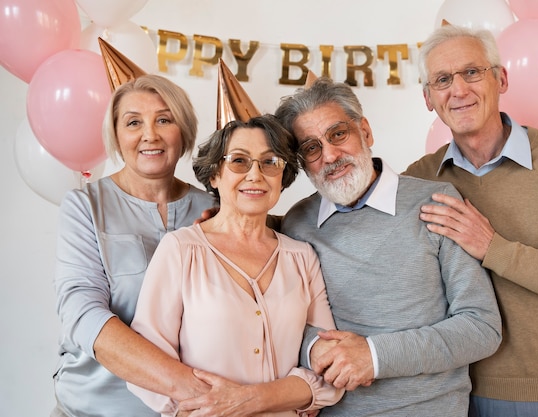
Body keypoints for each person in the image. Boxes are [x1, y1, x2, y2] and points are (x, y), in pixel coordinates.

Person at [403, 25, 538, 417]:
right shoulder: (420, 178)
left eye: (472, 71)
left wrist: (494, 248)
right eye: (442, 79)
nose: (458, 89)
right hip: (442, 395)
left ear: (500, 78)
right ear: (428, 98)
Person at [271, 76, 502, 416]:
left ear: (365, 131)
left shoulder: (436, 202)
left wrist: (374, 357)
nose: (331, 155)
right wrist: (312, 350)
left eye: (338, 134)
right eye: (311, 147)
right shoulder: (297, 223)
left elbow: (482, 327)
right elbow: (279, 319)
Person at [127, 115, 344, 416]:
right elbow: (147, 367)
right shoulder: (180, 250)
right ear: (214, 174)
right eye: (239, 161)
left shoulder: (302, 257)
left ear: (283, 176)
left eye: (270, 162)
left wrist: (252, 399)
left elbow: (329, 371)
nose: (255, 175)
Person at [52, 74, 218, 417]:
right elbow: (82, 314)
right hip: (93, 409)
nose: (150, 135)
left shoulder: (215, 207)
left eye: (163, 119)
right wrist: (192, 389)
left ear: (183, 130)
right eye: (133, 122)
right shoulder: (86, 206)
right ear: (115, 134)